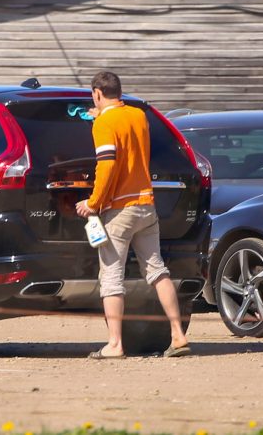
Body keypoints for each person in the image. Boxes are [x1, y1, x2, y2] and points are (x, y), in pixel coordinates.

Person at [75, 71, 191, 359]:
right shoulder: (138, 116)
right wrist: (99, 115)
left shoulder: (104, 124)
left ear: (97, 94)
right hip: (145, 204)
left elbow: (108, 164)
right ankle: (178, 335)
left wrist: (93, 201)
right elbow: (122, 128)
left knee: (111, 277)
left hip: (119, 209)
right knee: (157, 269)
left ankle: (115, 345)